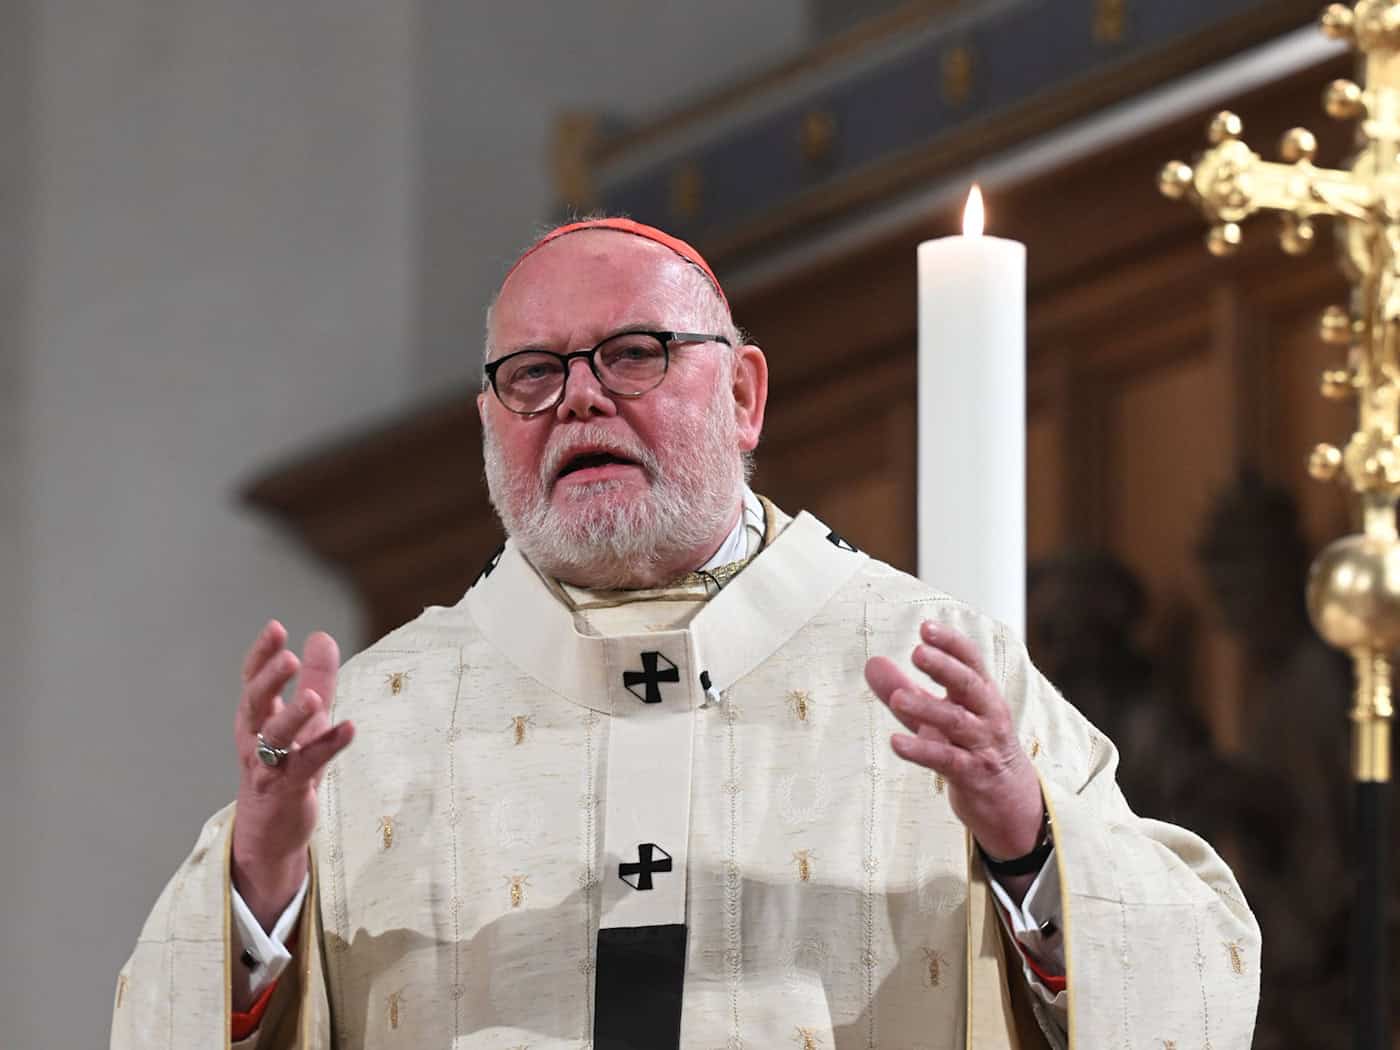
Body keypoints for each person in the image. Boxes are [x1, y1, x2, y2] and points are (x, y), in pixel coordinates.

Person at [111, 218, 1259, 1049]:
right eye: (532, 374)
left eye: (632, 354)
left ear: (744, 395)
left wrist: (1022, 838)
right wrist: (261, 885)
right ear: (487, 422)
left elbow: (1190, 987)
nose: (577, 398)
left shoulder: (929, 664)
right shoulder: (379, 716)